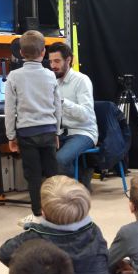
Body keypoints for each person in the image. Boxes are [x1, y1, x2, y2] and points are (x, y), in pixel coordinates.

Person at [5, 30, 61, 227]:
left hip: (27, 134)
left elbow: (10, 109)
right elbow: (57, 106)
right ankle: (56, 214)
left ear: (21, 53)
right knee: (52, 174)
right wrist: (56, 131)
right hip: (48, 130)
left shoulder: (14, 76)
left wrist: (11, 136)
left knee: (33, 176)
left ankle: (38, 215)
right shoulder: (50, 75)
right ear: (44, 52)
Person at [48, 42, 98, 183]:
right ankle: (81, 175)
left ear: (68, 60)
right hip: (61, 132)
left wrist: (62, 101)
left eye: (57, 61)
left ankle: (78, 184)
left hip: (83, 132)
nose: (52, 65)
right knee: (39, 154)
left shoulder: (81, 80)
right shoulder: (53, 81)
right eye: (50, 61)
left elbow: (85, 115)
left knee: (59, 160)